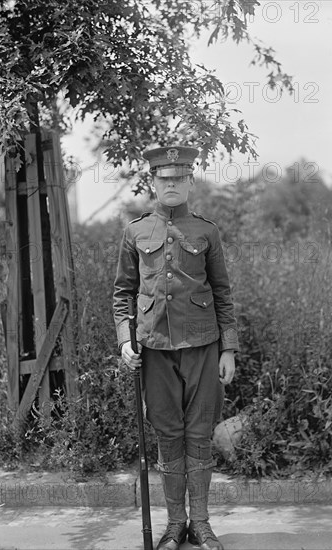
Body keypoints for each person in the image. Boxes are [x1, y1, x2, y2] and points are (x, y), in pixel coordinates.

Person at [113, 145, 239, 550]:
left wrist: (228, 349)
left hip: (202, 346)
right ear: (153, 182)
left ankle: (201, 524)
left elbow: (222, 292)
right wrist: (124, 339)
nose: (171, 185)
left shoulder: (206, 231)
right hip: (153, 348)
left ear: (189, 182)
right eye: (163, 179)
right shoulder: (136, 231)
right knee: (168, 436)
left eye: (178, 178)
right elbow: (122, 293)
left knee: (199, 435)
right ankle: (174, 525)